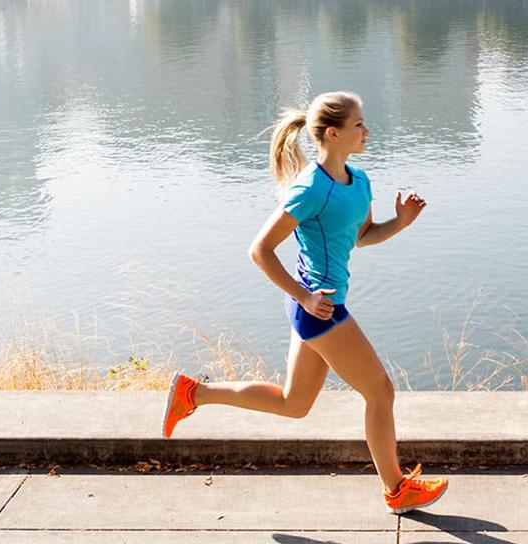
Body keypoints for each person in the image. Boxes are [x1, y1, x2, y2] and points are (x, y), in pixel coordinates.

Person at [162, 91, 448, 515]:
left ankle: (193, 393)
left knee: (294, 403)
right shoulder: (310, 189)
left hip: (317, 306)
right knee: (380, 391)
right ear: (332, 134)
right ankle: (396, 488)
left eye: (364, 122)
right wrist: (304, 296)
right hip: (320, 308)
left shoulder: (360, 181)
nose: (366, 130)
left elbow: (359, 237)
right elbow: (260, 250)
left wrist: (400, 223)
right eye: (358, 125)